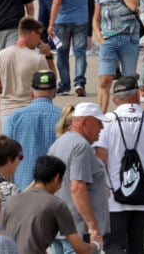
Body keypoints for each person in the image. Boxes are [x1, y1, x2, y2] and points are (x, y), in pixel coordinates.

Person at [93, 76, 144, 254]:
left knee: (113, 247)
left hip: (112, 199)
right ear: (137, 97)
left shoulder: (106, 121)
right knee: (139, 248)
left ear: (114, 100)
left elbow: (99, 159)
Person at [0, 155, 99, 254]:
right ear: (56, 178)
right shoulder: (56, 205)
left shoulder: (12, 201)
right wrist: (95, 244)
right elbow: (80, 249)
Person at [48, 102, 110, 252]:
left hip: (59, 227)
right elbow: (77, 187)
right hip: (78, 231)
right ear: (85, 122)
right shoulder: (81, 146)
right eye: (98, 123)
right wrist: (92, 226)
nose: (102, 128)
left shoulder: (58, 143)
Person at [0, 17, 53, 135]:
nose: (40, 40)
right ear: (32, 34)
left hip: (7, 114)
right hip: (30, 111)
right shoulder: (37, 59)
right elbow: (51, 82)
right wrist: (48, 56)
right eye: (39, 35)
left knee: (10, 151)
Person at [93, 0, 141, 112]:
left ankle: (131, 112)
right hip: (109, 39)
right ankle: (101, 115)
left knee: (129, 80)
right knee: (105, 80)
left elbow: (133, 6)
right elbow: (95, 19)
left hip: (129, 38)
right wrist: (99, 38)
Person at [5, 70, 61, 190]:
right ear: (55, 92)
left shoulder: (15, 117)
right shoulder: (64, 117)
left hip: (22, 187)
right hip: (55, 188)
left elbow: (4, 154)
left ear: (31, 92)